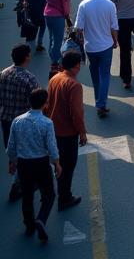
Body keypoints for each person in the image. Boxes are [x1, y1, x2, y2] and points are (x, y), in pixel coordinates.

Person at [6, 86, 59, 242]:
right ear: (45, 104)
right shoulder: (47, 123)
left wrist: (13, 163)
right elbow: (52, 147)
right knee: (49, 194)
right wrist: (57, 164)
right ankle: (41, 219)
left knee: (27, 196)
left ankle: (29, 226)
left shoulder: (17, 121)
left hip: (23, 164)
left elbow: (11, 147)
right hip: (41, 163)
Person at [42, 51, 86, 212]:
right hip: (67, 133)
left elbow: (47, 104)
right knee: (68, 167)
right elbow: (76, 113)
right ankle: (64, 197)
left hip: (52, 130)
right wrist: (82, 133)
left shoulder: (54, 78)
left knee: (58, 164)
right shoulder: (74, 85)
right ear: (76, 66)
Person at [74, 0, 119, 118]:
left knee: (95, 76)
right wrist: (115, 41)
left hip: (90, 47)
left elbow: (79, 29)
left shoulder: (83, 5)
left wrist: (82, 41)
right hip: (106, 46)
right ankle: (101, 104)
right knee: (105, 75)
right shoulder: (110, 5)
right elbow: (114, 27)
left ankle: (98, 101)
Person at [1, 44, 39, 203]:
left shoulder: (3, 74)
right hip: (23, 122)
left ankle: (13, 168)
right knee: (25, 154)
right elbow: (37, 103)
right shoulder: (29, 79)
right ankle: (18, 186)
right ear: (27, 57)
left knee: (12, 150)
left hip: (6, 119)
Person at [42, 0, 71, 75]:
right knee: (58, 40)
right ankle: (55, 63)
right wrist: (67, 16)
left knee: (52, 38)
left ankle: (53, 59)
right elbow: (65, 2)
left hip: (47, 13)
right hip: (57, 15)